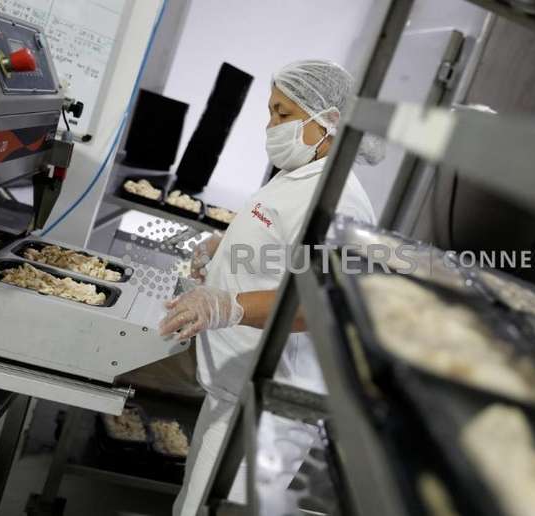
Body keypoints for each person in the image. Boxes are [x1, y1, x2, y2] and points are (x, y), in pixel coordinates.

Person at [159, 59, 383, 516]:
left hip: (272, 406)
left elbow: (321, 300)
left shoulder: (340, 200)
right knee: (192, 503)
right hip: (236, 384)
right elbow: (282, 248)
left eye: (283, 114)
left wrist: (226, 306)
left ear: (330, 122)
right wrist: (225, 247)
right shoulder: (298, 176)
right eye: (270, 111)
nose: (271, 125)